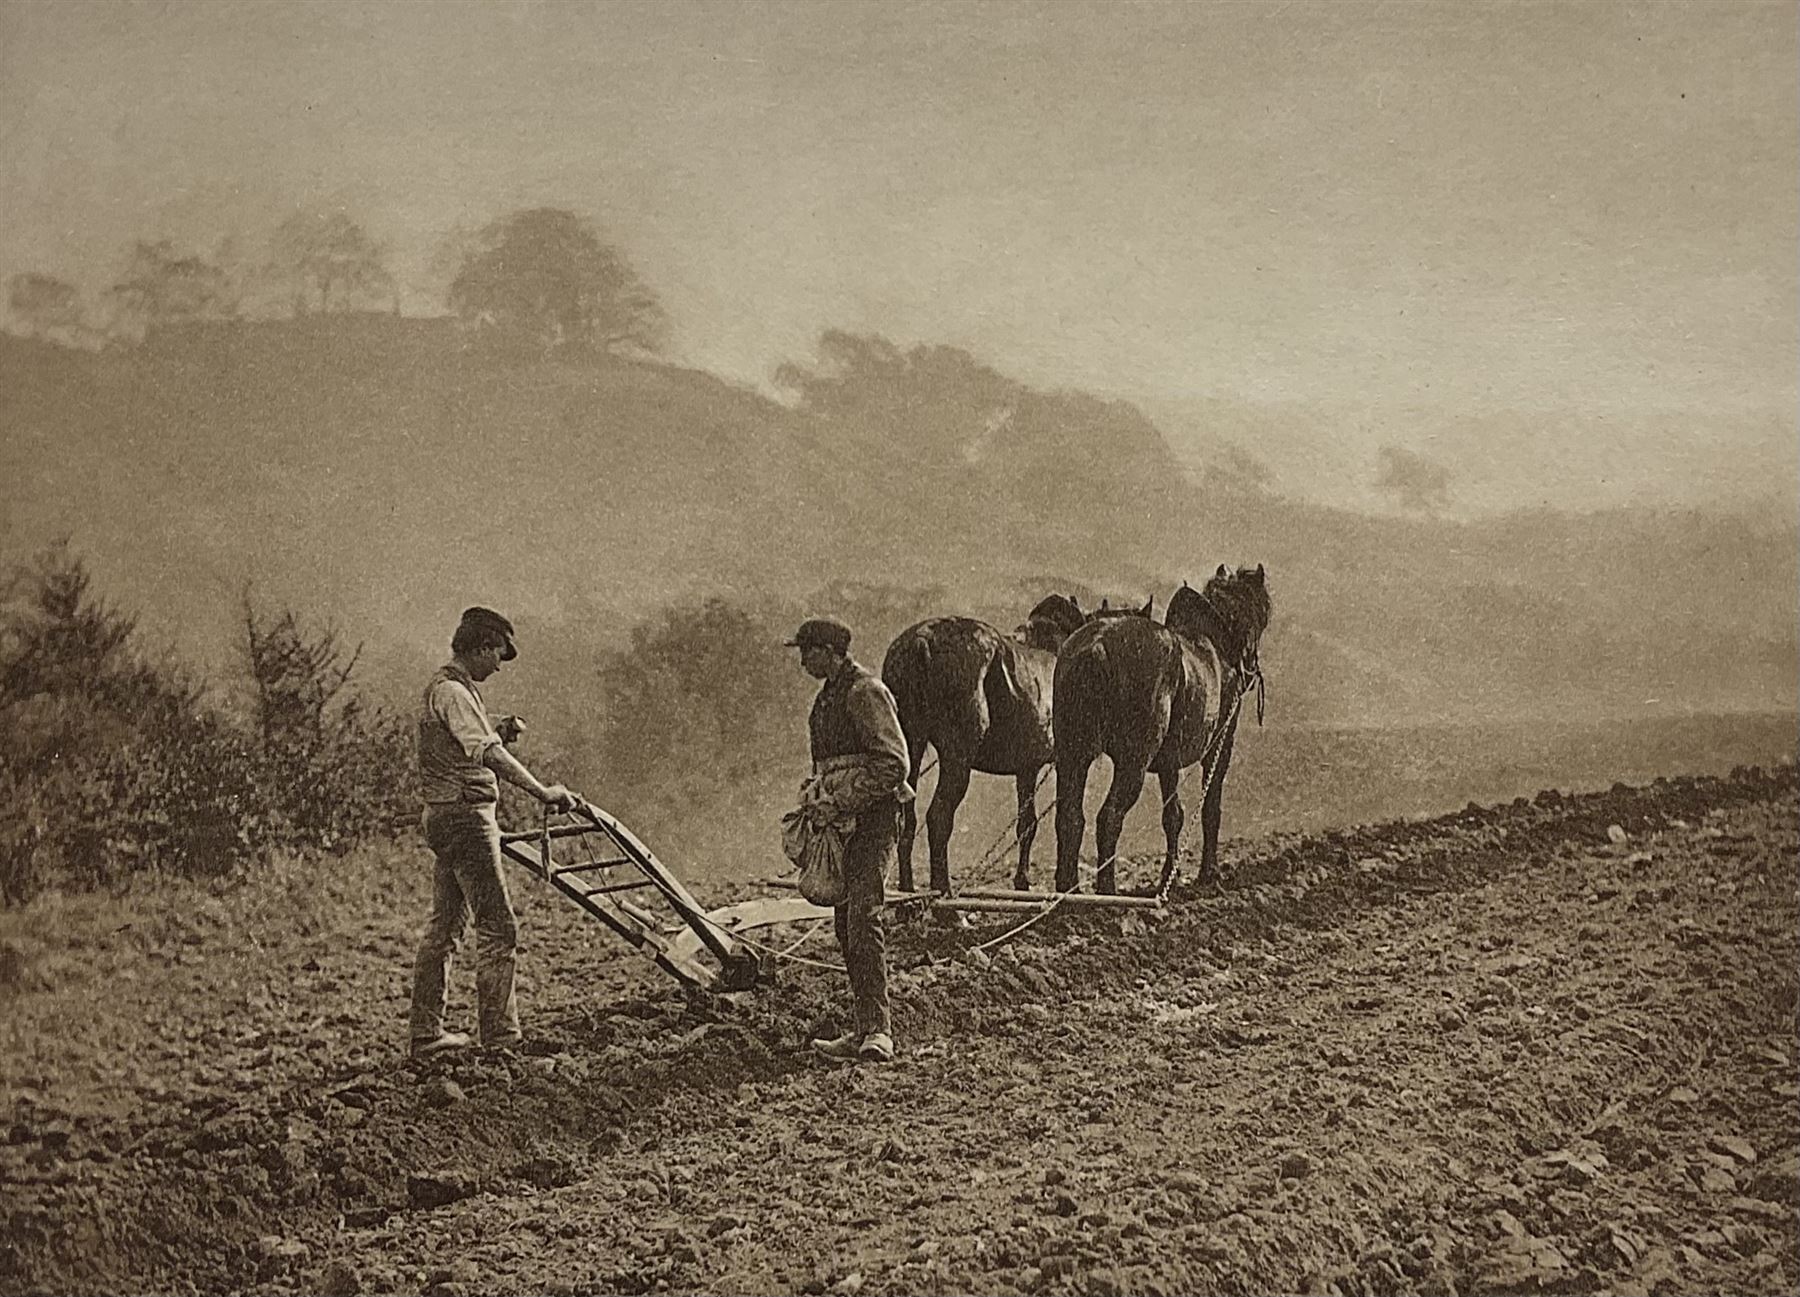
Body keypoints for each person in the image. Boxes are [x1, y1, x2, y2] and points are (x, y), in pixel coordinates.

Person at [409, 606, 576, 1059]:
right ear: (482, 647)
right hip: (466, 818)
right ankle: (501, 1040)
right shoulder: (454, 692)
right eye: (498, 654)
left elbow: (460, 741)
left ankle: (426, 1034)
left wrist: (498, 727)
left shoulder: (446, 689)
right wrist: (542, 791)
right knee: (499, 928)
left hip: (443, 816)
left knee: (445, 926)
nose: (500, 665)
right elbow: (486, 752)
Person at [788, 616, 913, 1063]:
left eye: (808, 651)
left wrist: (841, 800)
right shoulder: (827, 699)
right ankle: (863, 1028)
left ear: (830, 652)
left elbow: (894, 765)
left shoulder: (864, 692)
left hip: (874, 820)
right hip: (842, 823)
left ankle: (879, 1031)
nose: (803, 660)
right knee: (846, 924)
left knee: (863, 917)